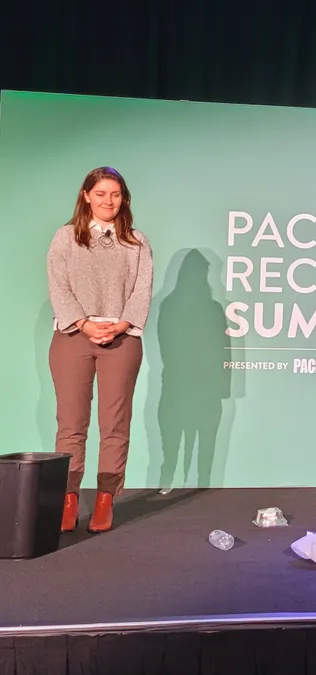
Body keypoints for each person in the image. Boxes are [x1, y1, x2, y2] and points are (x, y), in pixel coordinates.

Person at [46, 167, 154, 533]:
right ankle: (67, 498)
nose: (109, 201)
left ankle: (106, 498)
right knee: (71, 425)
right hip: (74, 336)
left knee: (115, 424)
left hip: (121, 340)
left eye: (116, 194)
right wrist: (84, 323)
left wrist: (122, 324)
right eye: (101, 193)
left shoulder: (136, 242)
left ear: (124, 199)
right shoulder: (65, 238)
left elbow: (142, 290)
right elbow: (58, 287)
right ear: (86, 195)